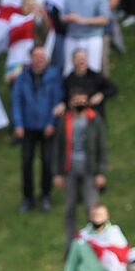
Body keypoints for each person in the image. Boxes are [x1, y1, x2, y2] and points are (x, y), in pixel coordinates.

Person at [10, 45, 62, 212]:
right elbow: (17, 101)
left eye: (42, 56)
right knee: (26, 162)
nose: (40, 59)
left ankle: (45, 194)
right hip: (28, 128)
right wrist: (18, 124)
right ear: (31, 59)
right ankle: (28, 198)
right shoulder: (23, 78)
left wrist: (51, 123)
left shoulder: (53, 76)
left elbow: (57, 100)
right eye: (37, 56)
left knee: (47, 162)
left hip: (46, 127)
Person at [53, 87, 110, 239]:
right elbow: (57, 147)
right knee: (69, 209)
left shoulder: (94, 119)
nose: (80, 103)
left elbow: (102, 147)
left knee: (91, 208)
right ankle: (71, 246)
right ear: (70, 102)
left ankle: (94, 242)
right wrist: (57, 173)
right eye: (76, 101)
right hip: (69, 169)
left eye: (83, 100)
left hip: (89, 170)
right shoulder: (64, 121)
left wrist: (101, 172)